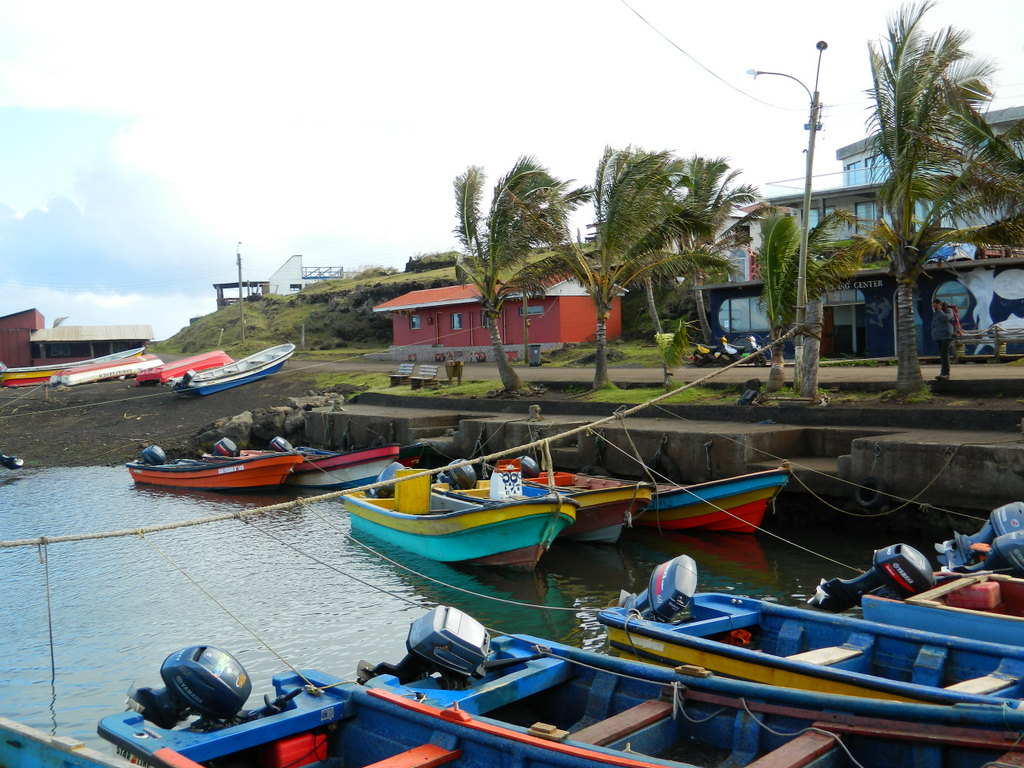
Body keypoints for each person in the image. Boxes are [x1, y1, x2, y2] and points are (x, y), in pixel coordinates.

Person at [931, 299, 955, 380]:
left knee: (945, 355)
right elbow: (934, 324)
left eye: (935, 306)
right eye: (933, 306)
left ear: (940, 305)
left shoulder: (948, 310)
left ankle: (946, 374)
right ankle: (943, 373)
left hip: (946, 336)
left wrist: (940, 310)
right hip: (939, 337)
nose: (934, 307)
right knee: (942, 356)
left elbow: (946, 319)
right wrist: (934, 335)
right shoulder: (936, 313)